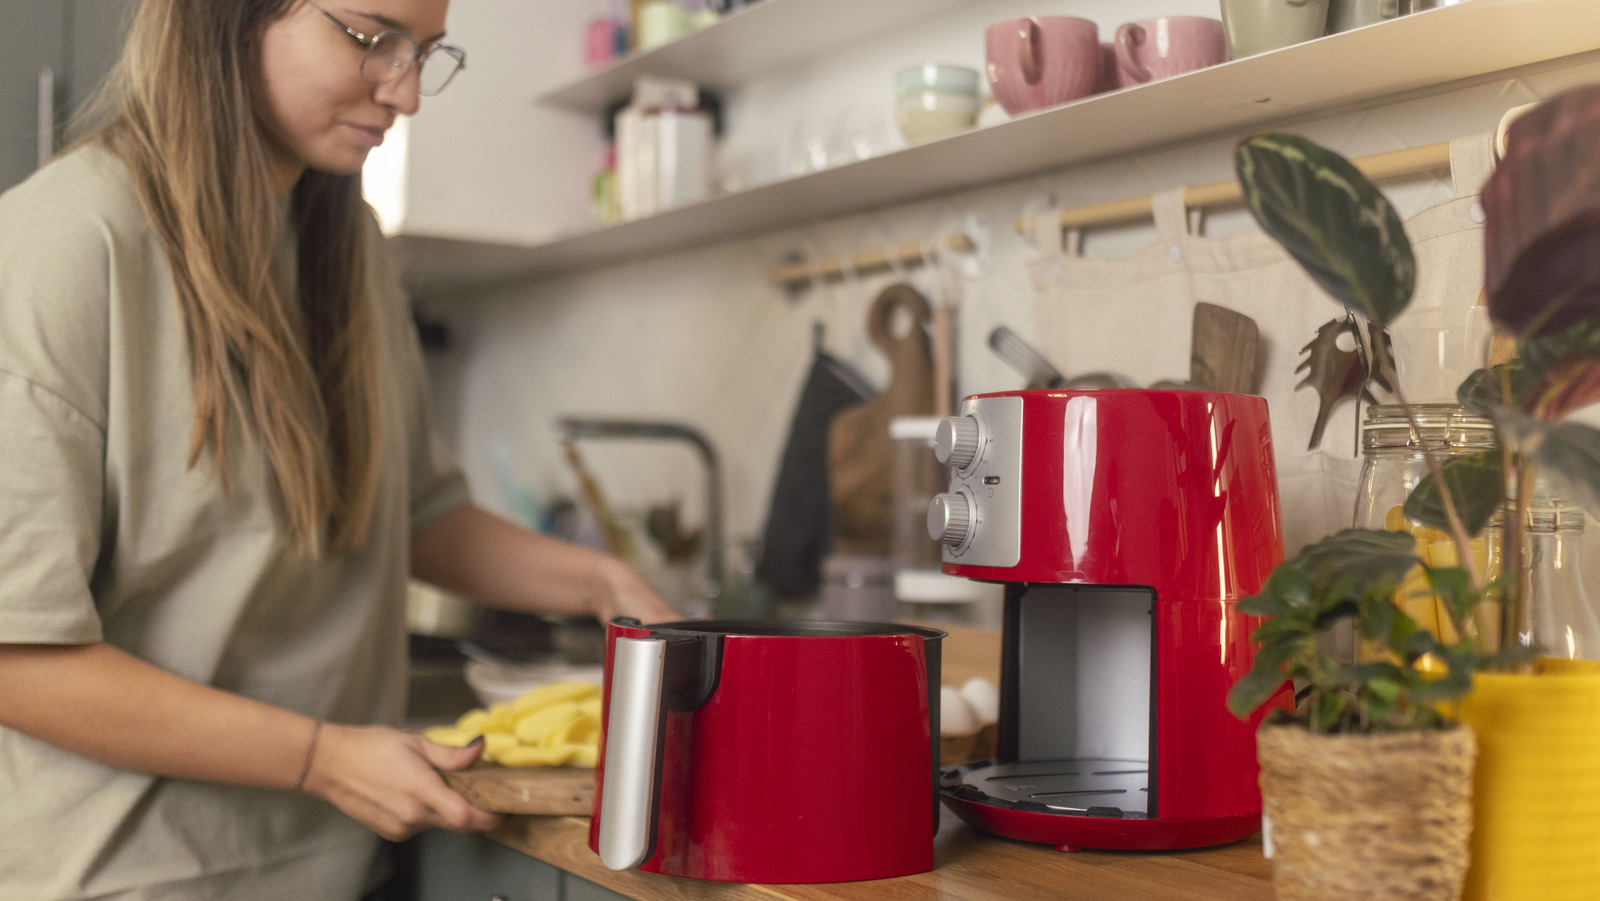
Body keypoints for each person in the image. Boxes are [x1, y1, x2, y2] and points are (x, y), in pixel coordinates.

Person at [0, 1, 677, 897]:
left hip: (331, 864)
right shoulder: (63, 244)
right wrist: (321, 757)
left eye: (427, 53)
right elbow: (18, 658)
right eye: (371, 39)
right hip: (127, 876)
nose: (406, 92)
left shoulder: (345, 241)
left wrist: (603, 584)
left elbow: (414, 512)